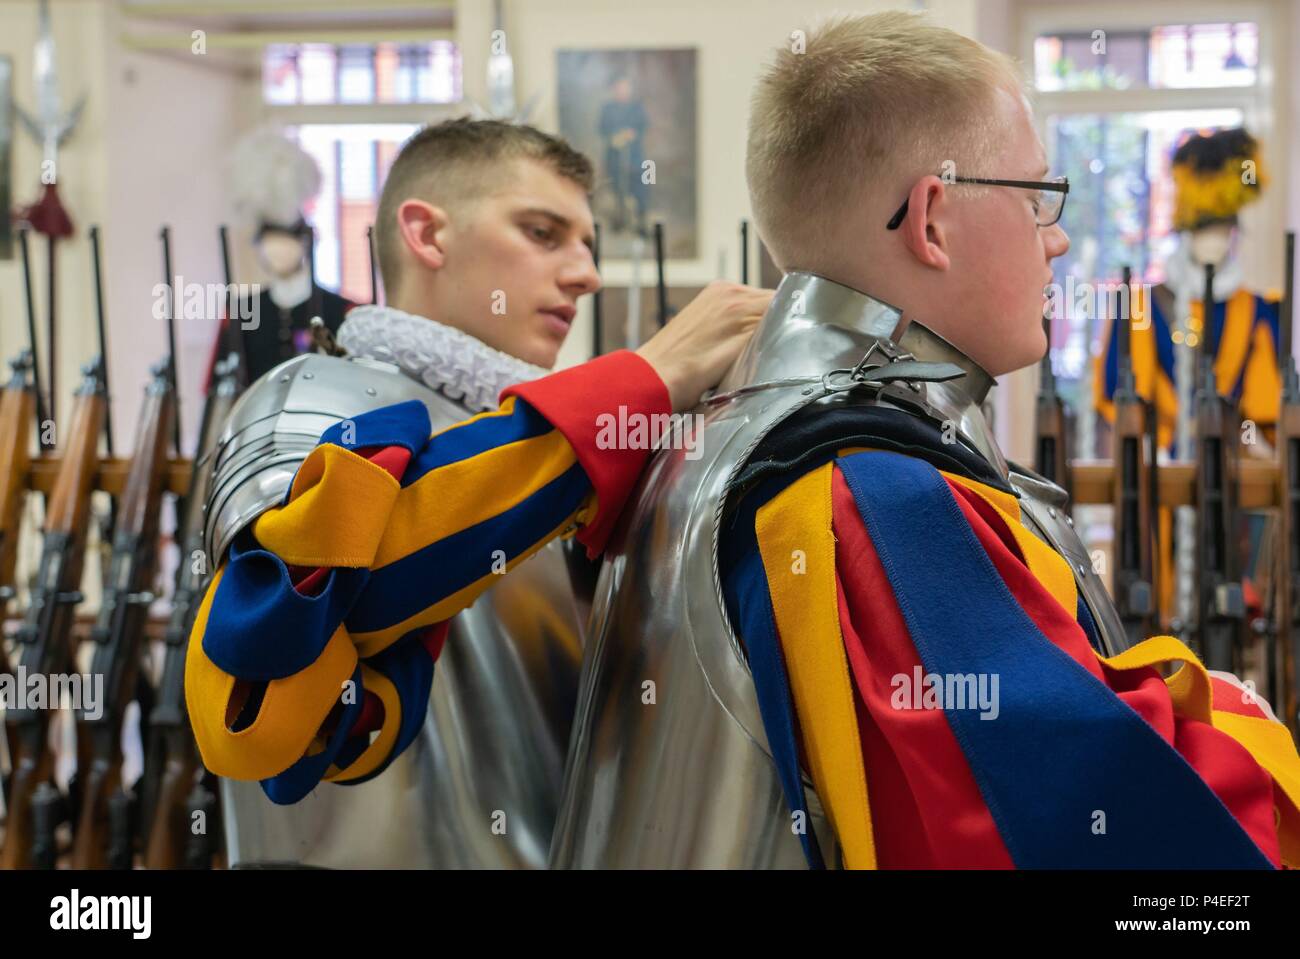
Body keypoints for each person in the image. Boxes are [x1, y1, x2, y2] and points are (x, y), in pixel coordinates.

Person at [548, 12, 1300, 869]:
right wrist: (1246, 717)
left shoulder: (719, 427)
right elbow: (1100, 833)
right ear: (932, 220)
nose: (1056, 239)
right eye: (1037, 198)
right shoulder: (868, 484)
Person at [187, 117, 771, 867]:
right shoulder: (309, 399)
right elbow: (283, 630)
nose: (585, 271)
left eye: (587, 244)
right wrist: (638, 381)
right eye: (542, 231)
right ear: (427, 234)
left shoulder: (527, 442)